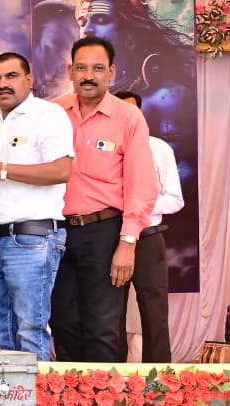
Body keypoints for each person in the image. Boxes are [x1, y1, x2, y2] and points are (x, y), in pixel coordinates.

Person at [50, 36, 158, 362]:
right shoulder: (53, 112)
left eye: (97, 68)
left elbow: (141, 184)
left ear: (111, 72)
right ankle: (69, 394)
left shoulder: (128, 117)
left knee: (103, 328)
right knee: (63, 324)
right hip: (56, 233)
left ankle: (105, 396)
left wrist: (127, 243)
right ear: (70, 71)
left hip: (105, 233)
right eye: (81, 68)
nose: (88, 76)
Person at [0, 53, 73, 360]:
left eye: (11, 76)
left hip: (32, 238)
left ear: (29, 79)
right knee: (2, 330)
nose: (2, 84)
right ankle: (13, 391)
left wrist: (0, 168)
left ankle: (38, 392)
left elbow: (61, 170)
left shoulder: (47, 115)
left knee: (31, 329)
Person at [116, 90, 180, 363]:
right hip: (110, 238)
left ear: (141, 114)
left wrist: (136, 207)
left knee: (154, 311)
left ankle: (161, 378)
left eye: (131, 112)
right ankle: (108, 376)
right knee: (110, 313)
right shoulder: (104, 149)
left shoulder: (159, 148)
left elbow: (175, 199)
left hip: (147, 237)